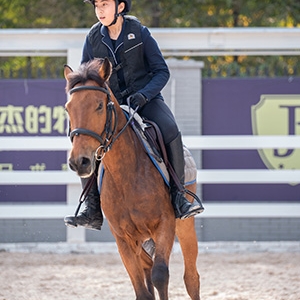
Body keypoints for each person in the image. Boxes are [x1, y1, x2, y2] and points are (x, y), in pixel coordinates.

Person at [64, 0, 204, 231]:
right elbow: (85, 76)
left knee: (169, 128)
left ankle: (179, 197)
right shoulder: (92, 38)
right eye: (97, 5)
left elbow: (161, 71)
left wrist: (144, 95)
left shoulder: (139, 32)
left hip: (145, 100)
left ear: (120, 6)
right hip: (110, 106)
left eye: (105, 4)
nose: (99, 10)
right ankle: (91, 207)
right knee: (85, 140)